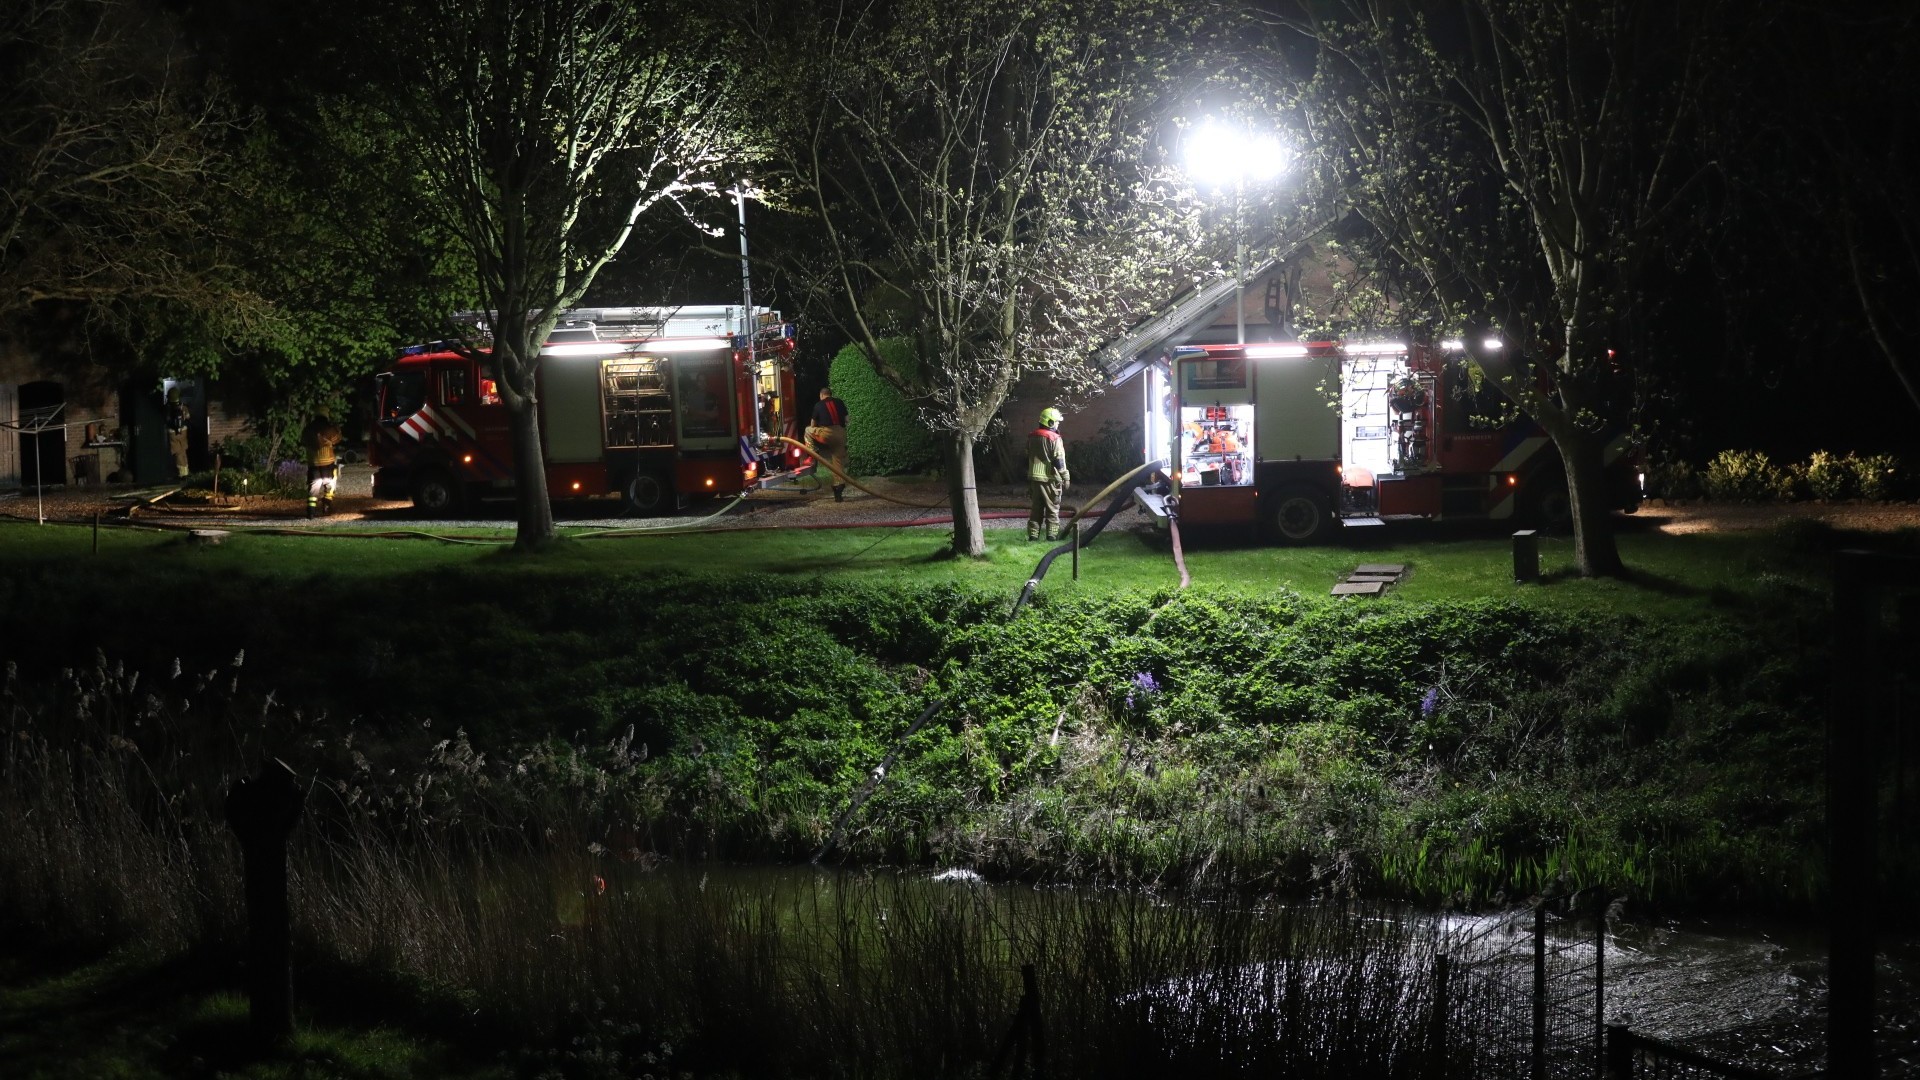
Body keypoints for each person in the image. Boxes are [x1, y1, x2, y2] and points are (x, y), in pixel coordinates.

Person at [1026, 406, 1071, 542]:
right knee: (1052, 508)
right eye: (1057, 422)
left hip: (1034, 478)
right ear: (1050, 422)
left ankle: (1033, 536)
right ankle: (1051, 536)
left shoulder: (1032, 436)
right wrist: (1065, 477)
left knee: (1036, 509)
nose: (1058, 424)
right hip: (1050, 479)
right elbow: (1059, 460)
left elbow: (1027, 455)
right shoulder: (1054, 438)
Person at [808, 387, 850, 502]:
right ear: (830, 394)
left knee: (807, 431)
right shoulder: (839, 402)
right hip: (841, 434)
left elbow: (812, 424)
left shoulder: (818, 405)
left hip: (827, 433)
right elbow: (847, 419)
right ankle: (839, 488)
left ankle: (812, 452)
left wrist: (817, 431)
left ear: (821, 395)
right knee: (838, 462)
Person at [301, 411, 343, 519]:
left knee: (313, 487)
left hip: (313, 463)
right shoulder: (329, 429)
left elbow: (303, 441)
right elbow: (337, 438)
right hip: (327, 462)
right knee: (330, 485)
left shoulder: (308, 430)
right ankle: (326, 506)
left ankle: (311, 511)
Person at [165, 387, 191, 478]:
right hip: (184, 431)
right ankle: (186, 471)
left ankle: (182, 474)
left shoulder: (167, 408)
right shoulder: (183, 407)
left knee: (177, 452)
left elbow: (166, 420)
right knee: (183, 451)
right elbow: (188, 417)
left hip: (173, 433)